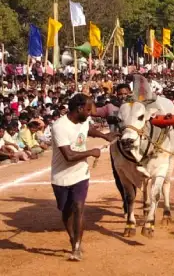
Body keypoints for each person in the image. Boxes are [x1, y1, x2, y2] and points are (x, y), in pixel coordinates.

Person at [51, 93, 116, 261]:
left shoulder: (84, 120)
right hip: (61, 176)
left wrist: (104, 135)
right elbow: (69, 156)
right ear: (79, 109)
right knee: (66, 211)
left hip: (81, 173)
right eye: (88, 110)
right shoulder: (59, 127)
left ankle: (77, 247)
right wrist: (91, 152)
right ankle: (73, 238)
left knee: (78, 207)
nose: (90, 113)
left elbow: (88, 130)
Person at [93, 83, 132, 216]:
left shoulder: (137, 106)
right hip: (116, 147)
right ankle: (126, 200)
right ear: (116, 95)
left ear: (130, 93)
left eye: (126, 93)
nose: (123, 96)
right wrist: (86, 99)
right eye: (120, 94)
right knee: (119, 177)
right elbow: (93, 111)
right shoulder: (110, 107)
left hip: (134, 146)